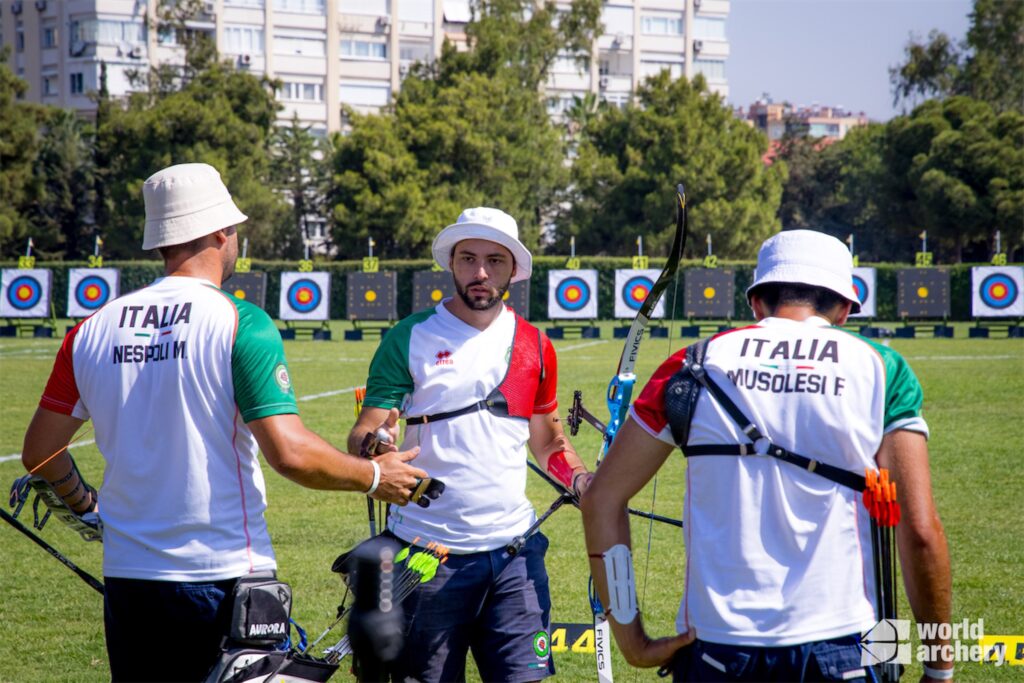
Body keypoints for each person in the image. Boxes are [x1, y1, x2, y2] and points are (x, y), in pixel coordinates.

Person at [21, 162, 427, 682]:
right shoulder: (240, 321)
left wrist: (85, 505)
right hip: (223, 577)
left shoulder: (91, 330)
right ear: (219, 232)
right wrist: (376, 477)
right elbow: (291, 453)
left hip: (129, 579)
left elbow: (39, 452)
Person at [581, 229, 953, 682]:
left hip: (716, 646)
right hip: (848, 645)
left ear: (756, 302)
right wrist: (938, 667)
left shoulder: (691, 363)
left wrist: (632, 642)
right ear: (845, 307)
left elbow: (601, 500)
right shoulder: (881, 368)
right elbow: (919, 532)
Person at [348, 207, 592, 682]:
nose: (480, 272)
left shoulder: (534, 345)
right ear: (452, 264)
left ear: (513, 271)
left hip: (514, 555)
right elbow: (365, 431)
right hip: (426, 556)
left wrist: (580, 478)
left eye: (494, 261)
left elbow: (550, 442)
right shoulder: (409, 337)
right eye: (468, 259)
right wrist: (378, 445)